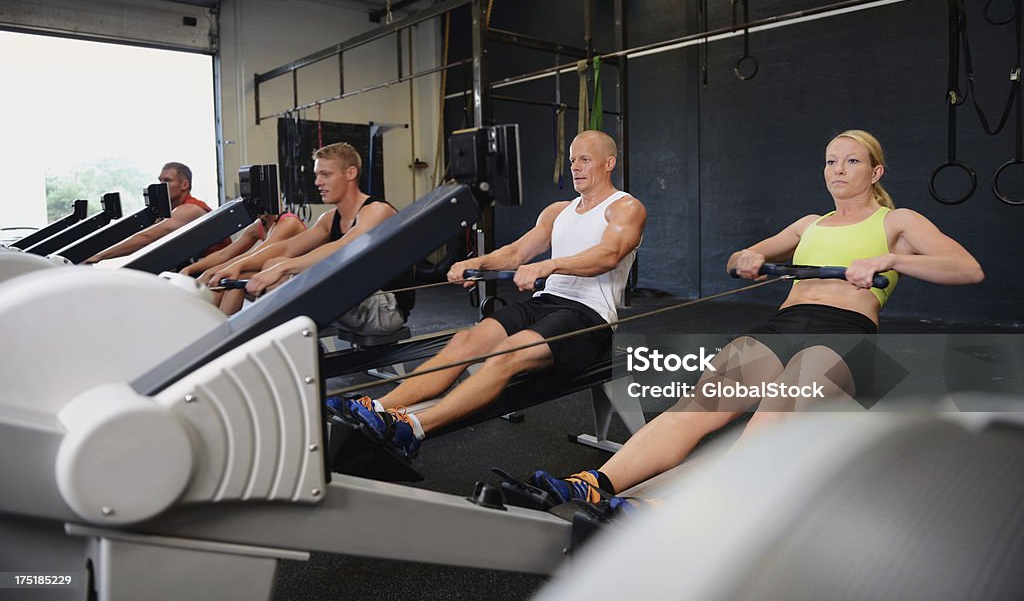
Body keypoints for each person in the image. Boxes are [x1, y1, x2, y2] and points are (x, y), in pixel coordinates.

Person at [530, 129, 985, 504]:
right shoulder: (810, 223)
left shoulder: (896, 222)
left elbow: (967, 268)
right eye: (830, 161)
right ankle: (592, 485)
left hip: (846, 333)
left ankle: (666, 509)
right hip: (785, 324)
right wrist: (745, 258)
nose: (838, 171)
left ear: (875, 171)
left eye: (851, 161)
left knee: (771, 418)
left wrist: (890, 262)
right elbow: (743, 256)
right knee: (696, 408)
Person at [331, 130, 647, 459]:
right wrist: (475, 262)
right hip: (545, 303)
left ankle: (413, 427)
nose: (576, 167)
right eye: (571, 161)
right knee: (464, 344)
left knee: (508, 352)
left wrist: (548, 266)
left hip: (589, 316)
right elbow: (515, 253)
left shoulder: (624, 207)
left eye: (585, 160)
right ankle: (377, 409)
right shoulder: (558, 211)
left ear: (609, 163)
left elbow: (608, 255)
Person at [205, 142, 413, 334]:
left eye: (326, 174)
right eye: (316, 175)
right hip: (350, 298)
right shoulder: (329, 218)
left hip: (385, 308)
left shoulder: (377, 211)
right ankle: (219, 338)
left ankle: (256, 343)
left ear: (350, 173)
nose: (317, 182)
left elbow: (346, 245)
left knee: (279, 269)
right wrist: (236, 266)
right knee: (244, 276)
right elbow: (285, 248)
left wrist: (282, 268)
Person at [85, 162, 230, 263]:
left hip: (215, 266)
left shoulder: (190, 209)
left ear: (184, 185)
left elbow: (149, 236)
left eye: (166, 181)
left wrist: (100, 256)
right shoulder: (169, 211)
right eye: (159, 180)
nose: (161, 185)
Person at [180, 210, 306, 315]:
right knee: (221, 279)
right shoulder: (259, 226)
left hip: (296, 280)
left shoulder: (289, 223)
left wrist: (212, 272)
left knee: (233, 279)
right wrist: (190, 269)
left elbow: (257, 255)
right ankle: (205, 326)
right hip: (273, 277)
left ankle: (222, 333)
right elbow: (225, 254)